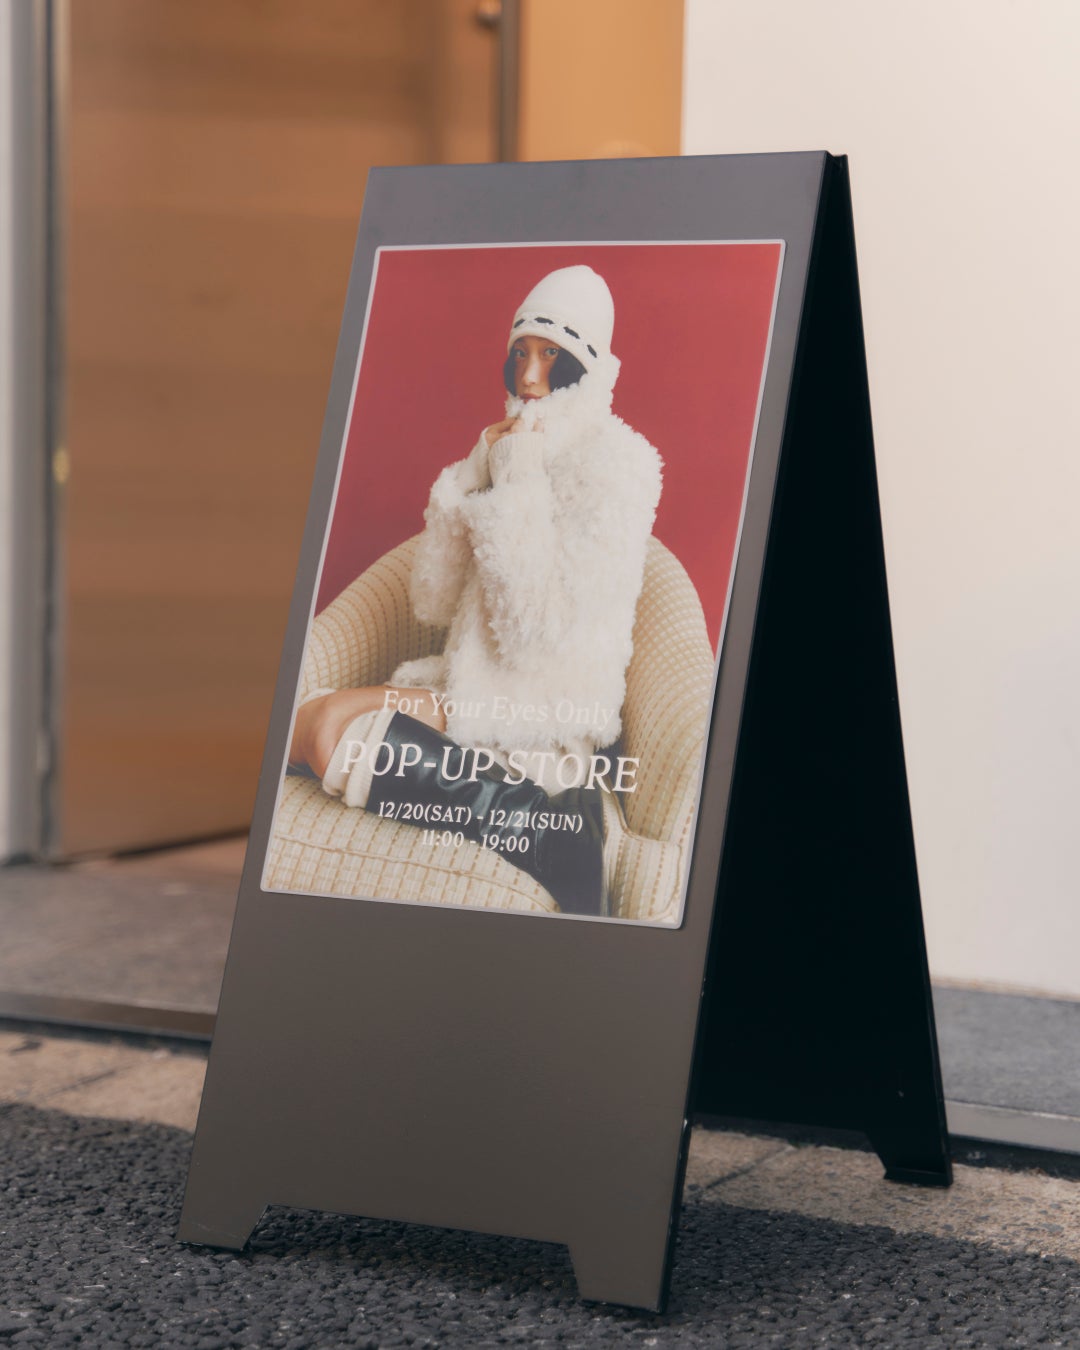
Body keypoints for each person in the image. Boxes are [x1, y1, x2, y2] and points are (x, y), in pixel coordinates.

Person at [288, 265, 662, 916]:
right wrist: (469, 479)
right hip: (468, 696)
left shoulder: (619, 466)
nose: (530, 377)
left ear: (590, 364)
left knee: (325, 734)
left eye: (553, 355)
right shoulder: (512, 446)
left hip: (541, 724)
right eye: (520, 353)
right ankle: (542, 829)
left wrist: (518, 480)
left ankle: (545, 832)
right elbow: (432, 600)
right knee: (302, 724)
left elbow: (534, 631)